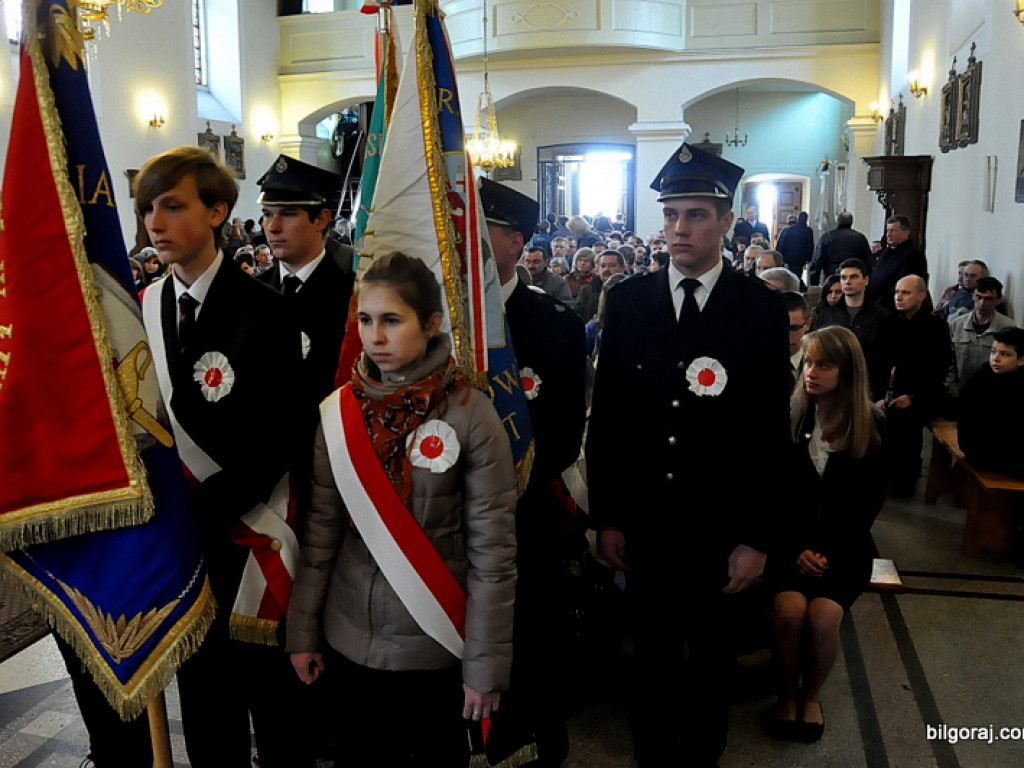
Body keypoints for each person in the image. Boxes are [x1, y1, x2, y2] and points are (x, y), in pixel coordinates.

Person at [587, 142, 791, 766]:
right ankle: (651, 751)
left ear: (727, 221)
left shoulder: (759, 307)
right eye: (672, 214)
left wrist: (756, 536)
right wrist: (608, 516)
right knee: (650, 652)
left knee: (712, 655)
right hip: (647, 518)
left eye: (697, 215)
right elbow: (610, 420)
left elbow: (768, 432)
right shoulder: (630, 301)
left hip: (720, 521)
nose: (680, 228)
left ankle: (704, 753)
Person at [286, 252, 517, 767]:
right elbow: (321, 532)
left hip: (435, 642)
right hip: (350, 640)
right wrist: (303, 633)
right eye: (366, 320)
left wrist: (484, 669)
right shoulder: (340, 411)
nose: (375, 337)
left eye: (392, 320)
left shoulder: (471, 415)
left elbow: (493, 556)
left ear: (431, 324)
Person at [136, 146, 310, 767]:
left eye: (172, 206)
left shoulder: (266, 309)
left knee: (274, 706)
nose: (154, 223)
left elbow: (281, 435)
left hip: (248, 533)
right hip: (179, 544)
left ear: (217, 213)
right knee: (205, 702)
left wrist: (202, 513)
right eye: (147, 208)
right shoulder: (145, 306)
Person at [480, 178, 587, 766]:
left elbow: (565, 432)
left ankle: (535, 740)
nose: (464, 242)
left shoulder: (553, 322)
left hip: (525, 511)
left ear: (515, 242)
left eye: (481, 230)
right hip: (447, 516)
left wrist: (501, 491)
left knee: (532, 633)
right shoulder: (436, 318)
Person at [768, 326, 885, 743]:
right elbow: (775, 494)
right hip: (789, 543)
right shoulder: (791, 416)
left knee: (822, 617)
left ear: (847, 371)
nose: (811, 372)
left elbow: (866, 506)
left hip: (844, 548)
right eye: (808, 363)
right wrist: (796, 548)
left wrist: (825, 552)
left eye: (824, 365)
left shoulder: (871, 425)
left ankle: (811, 694)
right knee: (789, 611)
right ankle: (786, 693)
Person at [958, 328, 1024, 479]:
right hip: (982, 453)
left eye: (1005, 354)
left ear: (1021, 360)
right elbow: (967, 420)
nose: (996, 358)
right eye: (993, 352)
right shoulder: (982, 376)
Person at [866, 215, 928, 313]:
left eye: (893, 230)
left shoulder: (913, 255)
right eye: (887, 230)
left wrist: (880, 303)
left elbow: (906, 284)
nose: (888, 234)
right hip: (874, 304)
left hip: (891, 307)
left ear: (906, 232)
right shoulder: (886, 252)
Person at [807, 211, 872, 286]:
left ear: (838, 221)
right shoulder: (860, 238)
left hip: (832, 277)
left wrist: (814, 283)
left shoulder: (827, 237)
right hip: (853, 278)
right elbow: (868, 262)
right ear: (851, 222)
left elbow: (817, 261)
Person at [775, 211, 814, 277]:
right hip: (800, 260)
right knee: (797, 276)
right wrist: (808, 258)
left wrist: (780, 257)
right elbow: (810, 246)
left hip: (788, 259)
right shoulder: (808, 231)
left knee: (786, 276)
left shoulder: (788, 229)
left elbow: (781, 244)